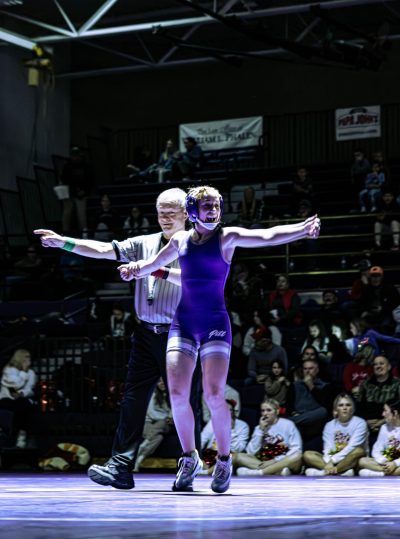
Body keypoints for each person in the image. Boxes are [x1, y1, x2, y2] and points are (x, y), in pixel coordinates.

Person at [119, 184, 320, 493]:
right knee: (176, 394)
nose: (213, 210)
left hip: (214, 324)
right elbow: (154, 264)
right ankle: (189, 458)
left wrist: (301, 230)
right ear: (191, 212)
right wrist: (135, 269)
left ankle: (224, 460)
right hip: (183, 323)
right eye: (207, 206)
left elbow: (268, 237)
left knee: (214, 394)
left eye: (216, 205)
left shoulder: (227, 238)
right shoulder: (180, 240)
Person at [34, 187, 202, 490]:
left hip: (181, 333)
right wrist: (63, 243)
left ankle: (187, 464)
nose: (165, 217)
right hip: (145, 333)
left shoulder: (197, 245)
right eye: (160, 211)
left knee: (185, 402)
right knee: (132, 400)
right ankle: (121, 466)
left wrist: (154, 270)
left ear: (186, 214)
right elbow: (101, 250)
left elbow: (197, 282)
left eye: (171, 211)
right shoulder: (142, 243)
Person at [303, 393, 369, 476]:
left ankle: (325, 472)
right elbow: (328, 448)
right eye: (341, 405)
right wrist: (329, 462)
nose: (344, 408)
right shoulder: (329, 425)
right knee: (308, 454)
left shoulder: (360, 423)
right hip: (334, 460)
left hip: (351, 459)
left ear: (352, 409)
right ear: (336, 409)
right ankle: (339, 472)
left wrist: (332, 461)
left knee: (359, 451)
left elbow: (352, 447)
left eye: (348, 405)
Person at [234, 398, 303, 476]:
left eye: (269, 410)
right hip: (262, 461)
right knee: (239, 456)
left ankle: (260, 472)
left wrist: (275, 460)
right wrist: (260, 430)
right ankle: (277, 471)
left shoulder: (288, 424)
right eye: (263, 411)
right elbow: (251, 452)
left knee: (297, 456)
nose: (265, 413)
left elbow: (296, 449)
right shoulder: (258, 428)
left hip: (283, 460)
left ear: (277, 411)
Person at [356, 354, 400, 445]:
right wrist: (366, 421)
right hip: (367, 425)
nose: (378, 366)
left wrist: (382, 421)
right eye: (375, 364)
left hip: (391, 425)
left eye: (381, 363)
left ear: (389, 367)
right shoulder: (365, 384)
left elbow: (398, 406)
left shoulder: (397, 384)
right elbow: (359, 406)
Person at [133, 377, 174, 472]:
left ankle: (141, 448)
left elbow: (172, 413)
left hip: (165, 424)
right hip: (149, 422)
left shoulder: (171, 394)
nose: (162, 383)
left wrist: (168, 418)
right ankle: (139, 460)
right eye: (159, 381)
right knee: (158, 438)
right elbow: (151, 413)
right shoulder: (153, 394)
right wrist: (164, 416)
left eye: (164, 381)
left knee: (162, 423)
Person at [200, 399, 249, 474]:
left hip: (229, 458)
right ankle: (207, 470)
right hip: (210, 457)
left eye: (229, 410)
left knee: (232, 457)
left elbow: (239, 449)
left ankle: (207, 472)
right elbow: (201, 441)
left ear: (233, 412)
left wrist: (231, 429)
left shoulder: (242, 426)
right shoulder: (212, 422)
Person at [0, 349, 37, 448]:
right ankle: (16, 434)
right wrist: (24, 372)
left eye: (29, 357)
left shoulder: (31, 373)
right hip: (6, 399)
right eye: (26, 357)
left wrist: (22, 393)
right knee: (14, 406)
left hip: (22, 399)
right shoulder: (9, 370)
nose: (29, 360)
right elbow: (16, 385)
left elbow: (30, 389)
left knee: (23, 405)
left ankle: (21, 434)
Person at [358, 398, 400, 476]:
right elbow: (376, 450)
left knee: (363, 472)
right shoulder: (384, 427)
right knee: (362, 461)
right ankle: (387, 472)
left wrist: (395, 463)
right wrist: (384, 461)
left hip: (397, 464)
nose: (383, 414)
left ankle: (380, 473)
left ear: (395, 413)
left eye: (385, 411)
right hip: (386, 462)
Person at [60, 146, 93, 235]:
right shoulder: (68, 166)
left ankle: (83, 233)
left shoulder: (85, 166)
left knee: (81, 215)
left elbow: (89, 180)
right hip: (69, 193)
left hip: (81, 193)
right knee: (67, 213)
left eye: (77, 156)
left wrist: (84, 191)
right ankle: (65, 232)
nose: (75, 158)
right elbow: (64, 179)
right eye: (73, 156)